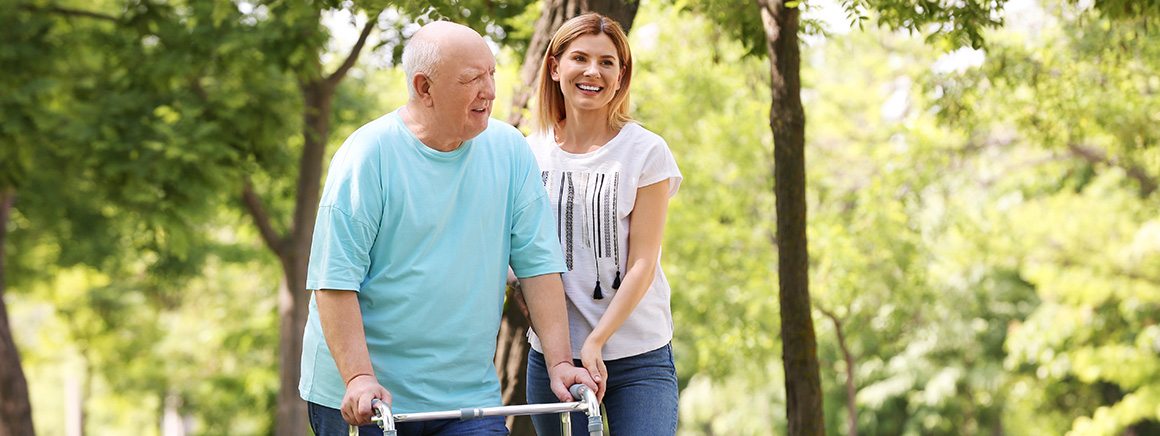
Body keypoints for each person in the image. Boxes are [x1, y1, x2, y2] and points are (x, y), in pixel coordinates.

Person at [298, 21, 597, 436]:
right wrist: (357, 378)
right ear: (424, 88)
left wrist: (561, 362)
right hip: (367, 398)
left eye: (491, 74)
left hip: (468, 397)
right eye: (472, 79)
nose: (489, 90)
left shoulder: (510, 150)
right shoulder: (366, 156)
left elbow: (539, 264)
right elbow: (334, 282)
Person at [522, 12, 683, 436]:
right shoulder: (528, 153)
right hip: (552, 359)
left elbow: (643, 263)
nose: (593, 71)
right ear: (555, 67)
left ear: (621, 75)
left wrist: (596, 341)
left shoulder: (646, 151)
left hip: (638, 357)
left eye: (607, 62)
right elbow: (520, 257)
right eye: (580, 58)